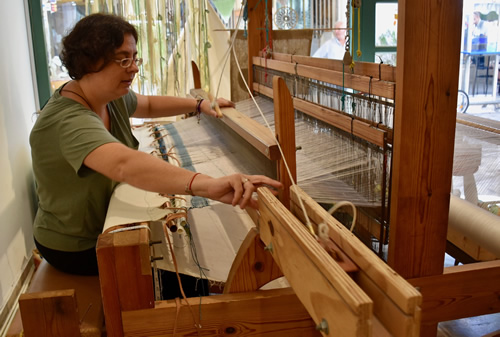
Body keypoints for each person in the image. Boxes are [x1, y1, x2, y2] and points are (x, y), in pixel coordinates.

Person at [30, 13, 282, 276]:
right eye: (124, 59)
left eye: (135, 58)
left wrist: (200, 104)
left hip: (100, 225)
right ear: (90, 61)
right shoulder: (68, 120)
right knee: (183, 275)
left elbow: (148, 105)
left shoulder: (108, 96)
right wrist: (208, 186)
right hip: (75, 245)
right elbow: (123, 164)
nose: (135, 68)